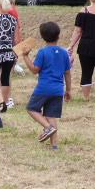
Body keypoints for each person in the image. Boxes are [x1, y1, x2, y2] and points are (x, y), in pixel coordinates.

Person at [23, 22, 72, 150]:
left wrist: (25, 56)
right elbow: (67, 73)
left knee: (31, 109)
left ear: (43, 37)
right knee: (51, 115)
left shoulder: (43, 52)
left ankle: (47, 127)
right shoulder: (64, 53)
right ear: (58, 36)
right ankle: (54, 146)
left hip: (44, 88)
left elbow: (35, 70)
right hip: (58, 90)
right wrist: (68, 90)